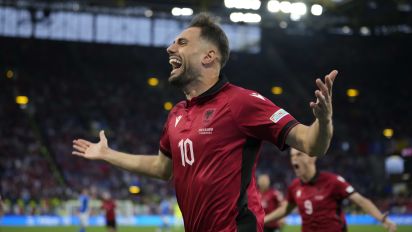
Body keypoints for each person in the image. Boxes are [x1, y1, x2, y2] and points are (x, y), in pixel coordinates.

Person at [72, 13, 338, 232]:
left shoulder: (241, 102)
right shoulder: (176, 114)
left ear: (209, 56)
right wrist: (107, 153)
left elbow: (310, 143)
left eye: (182, 43)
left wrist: (324, 121)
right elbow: (161, 168)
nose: (170, 48)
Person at [264, 148, 397, 232]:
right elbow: (285, 209)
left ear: (312, 157)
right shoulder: (294, 186)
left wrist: (382, 219)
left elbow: (361, 201)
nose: (294, 160)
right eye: (292, 156)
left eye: (299, 154)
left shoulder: (333, 181)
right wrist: (263, 219)